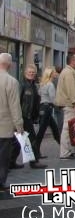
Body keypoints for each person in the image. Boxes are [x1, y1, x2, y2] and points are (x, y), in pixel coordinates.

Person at [54, 53, 75, 159]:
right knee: (68, 128)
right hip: (70, 105)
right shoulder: (68, 73)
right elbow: (71, 90)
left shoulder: (71, 72)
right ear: (72, 61)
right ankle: (65, 152)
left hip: (72, 104)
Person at [0, 53, 24, 191]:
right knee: (3, 156)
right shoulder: (11, 81)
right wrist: (19, 125)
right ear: (9, 64)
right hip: (4, 126)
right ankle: (0, 181)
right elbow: (15, 106)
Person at [19, 65, 46, 168]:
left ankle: (11, 161)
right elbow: (18, 101)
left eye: (33, 72)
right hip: (24, 116)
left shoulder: (34, 85)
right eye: (29, 72)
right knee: (31, 139)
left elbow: (35, 102)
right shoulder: (23, 85)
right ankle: (34, 161)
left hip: (30, 116)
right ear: (25, 73)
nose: (31, 74)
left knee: (20, 140)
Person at [35, 68, 60, 150]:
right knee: (42, 131)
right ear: (50, 74)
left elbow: (39, 94)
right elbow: (53, 99)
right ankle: (36, 150)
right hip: (47, 108)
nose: (56, 73)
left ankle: (63, 146)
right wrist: (59, 105)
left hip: (43, 107)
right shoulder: (50, 84)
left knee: (54, 128)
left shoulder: (43, 84)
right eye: (54, 72)